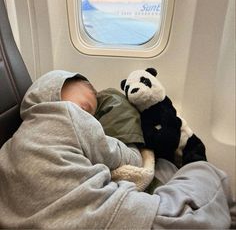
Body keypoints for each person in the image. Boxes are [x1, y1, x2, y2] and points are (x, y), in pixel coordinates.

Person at [0, 70, 232, 229]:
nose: (89, 115)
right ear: (52, 94)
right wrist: (134, 148)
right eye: (86, 106)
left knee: (168, 169)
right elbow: (127, 158)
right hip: (100, 217)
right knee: (204, 174)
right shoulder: (68, 115)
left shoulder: (9, 146)